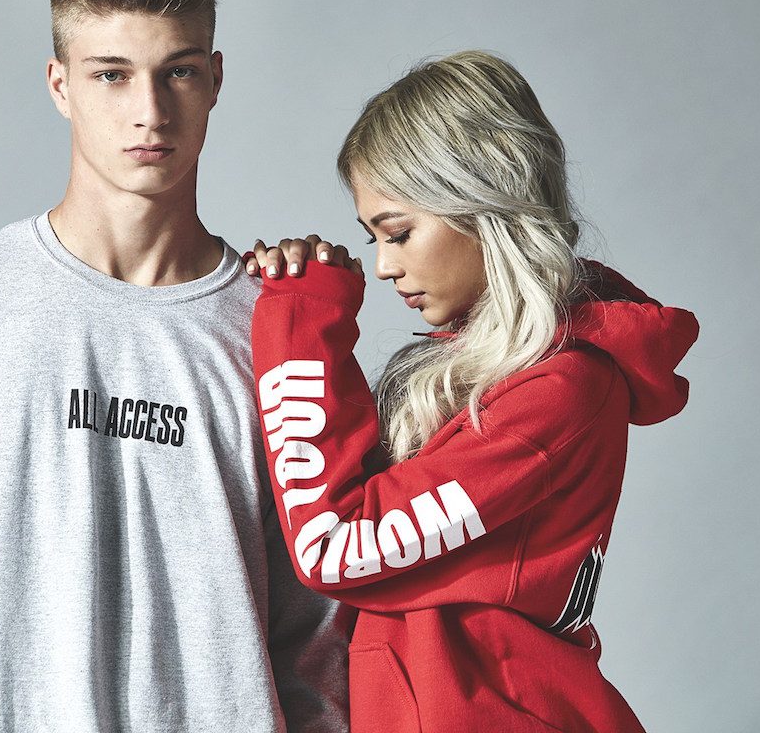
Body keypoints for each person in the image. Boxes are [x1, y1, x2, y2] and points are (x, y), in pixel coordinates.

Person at [0, 0, 349, 730]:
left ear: (215, 80)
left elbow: (316, 637)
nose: (150, 111)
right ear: (60, 85)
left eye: (178, 71)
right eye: (111, 74)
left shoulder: (275, 327)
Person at [245, 50, 699, 732]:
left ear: (483, 204)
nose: (383, 267)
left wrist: (301, 319)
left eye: (399, 233)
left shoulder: (559, 394)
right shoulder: (484, 377)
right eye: (373, 239)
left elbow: (334, 544)